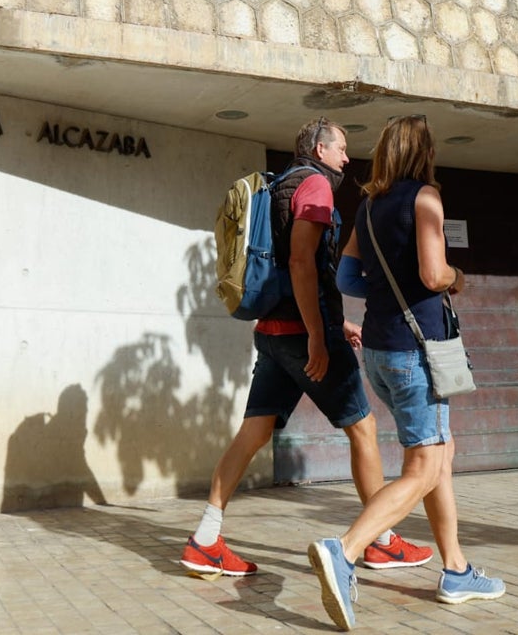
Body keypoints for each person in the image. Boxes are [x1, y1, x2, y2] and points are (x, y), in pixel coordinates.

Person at [180, 117, 432, 577]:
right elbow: (300, 262)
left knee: (252, 432)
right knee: (363, 427)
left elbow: (285, 266)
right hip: (303, 334)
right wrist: (319, 333)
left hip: (272, 333)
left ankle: (205, 537)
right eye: (340, 148)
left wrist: (339, 322)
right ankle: (379, 541)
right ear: (319, 149)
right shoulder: (315, 187)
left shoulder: (279, 185)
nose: (346, 157)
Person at [308, 115, 505, 631]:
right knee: (423, 467)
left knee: (438, 452)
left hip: (378, 351)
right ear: (424, 151)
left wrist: (384, 279)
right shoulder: (426, 199)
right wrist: (459, 278)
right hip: (417, 351)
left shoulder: (369, 206)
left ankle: (457, 569)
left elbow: (348, 274)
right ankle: (345, 549)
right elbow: (433, 274)